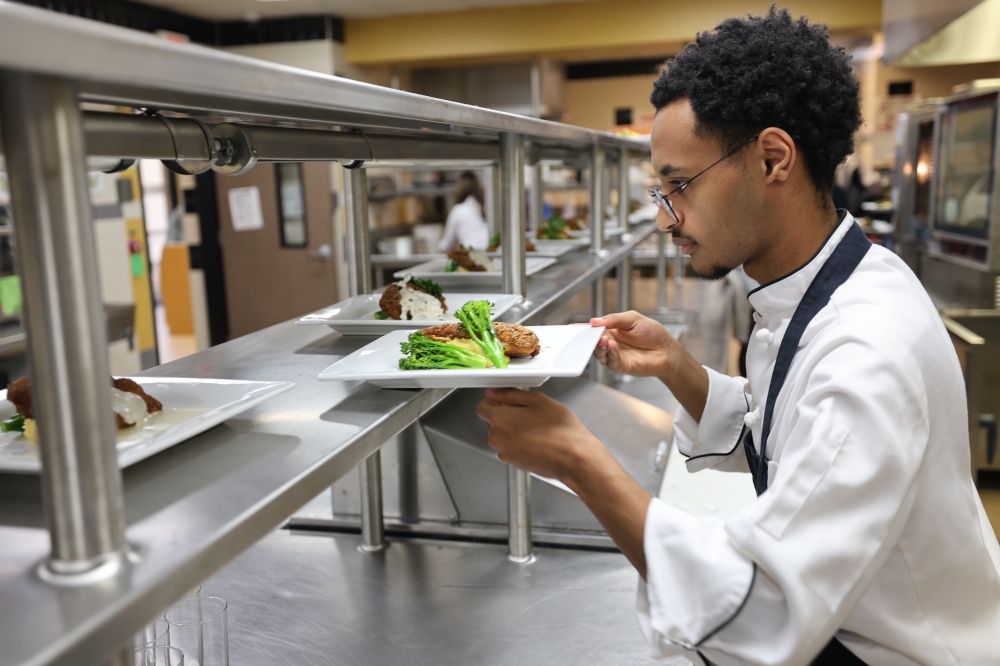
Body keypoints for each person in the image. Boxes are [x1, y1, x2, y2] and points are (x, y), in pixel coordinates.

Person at [476, 8, 1000, 666]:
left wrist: (580, 462)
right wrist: (679, 368)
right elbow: (791, 431)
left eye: (679, 185)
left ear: (773, 159)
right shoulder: (836, 280)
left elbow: (765, 614)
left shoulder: (867, 352)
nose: (666, 219)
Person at [437, 171, 489, 252]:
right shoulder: (485, 207)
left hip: (470, 254)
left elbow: (445, 245)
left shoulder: (458, 210)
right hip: (490, 252)